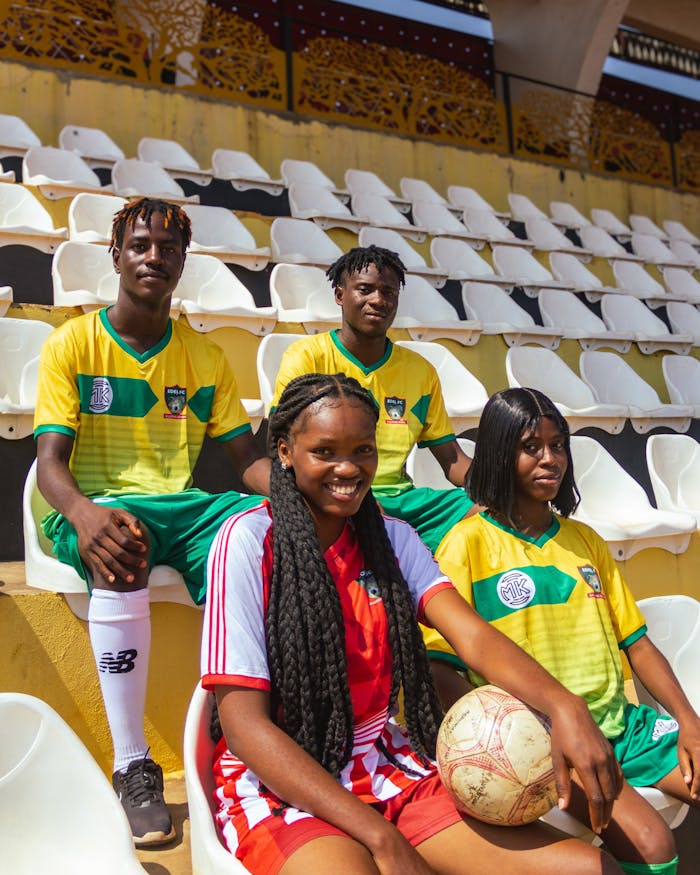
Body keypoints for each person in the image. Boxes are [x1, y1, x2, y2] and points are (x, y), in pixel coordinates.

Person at [202, 371, 625, 875]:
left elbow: (472, 637)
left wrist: (563, 705)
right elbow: (245, 728)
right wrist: (381, 837)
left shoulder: (393, 539)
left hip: (386, 769)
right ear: (285, 452)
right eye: (325, 451)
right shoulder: (247, 541)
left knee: (592, 870)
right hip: (283, 785)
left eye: (363, 450)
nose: (348, 468)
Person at [33, 197, 270, 846]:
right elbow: (49, 462)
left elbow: (245, 458)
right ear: (116, 255)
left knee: (267, 529)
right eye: (140, 245)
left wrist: (300, 497)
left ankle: (251, 728)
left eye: (167, 249)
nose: (153, 257)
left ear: (182, 262)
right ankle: (133, 763)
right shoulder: (72, 343)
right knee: (123, 538)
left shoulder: (206, 358)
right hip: (94, 503)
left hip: (181, 507)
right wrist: (82, 513)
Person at [424, 387, 700, 875]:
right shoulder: (466, 545)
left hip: (625, 728)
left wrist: (687, 718)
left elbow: (636, 642)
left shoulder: (584, 541)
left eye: (558, 445)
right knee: (654, 843)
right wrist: (505, 743)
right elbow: (441, 668)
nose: (549, 459)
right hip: (549, 744)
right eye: (531, 447)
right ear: (497, 454)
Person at [270, 245, 475, 554]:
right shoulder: (307, 358)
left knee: (490, 512)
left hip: (401, 501)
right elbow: (278, 448)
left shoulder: (420, 372)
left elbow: (453, 460)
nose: (378, 300)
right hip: (335, 494)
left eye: (388, 292)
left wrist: (500, 485)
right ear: (340, 295)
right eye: (365, 290)